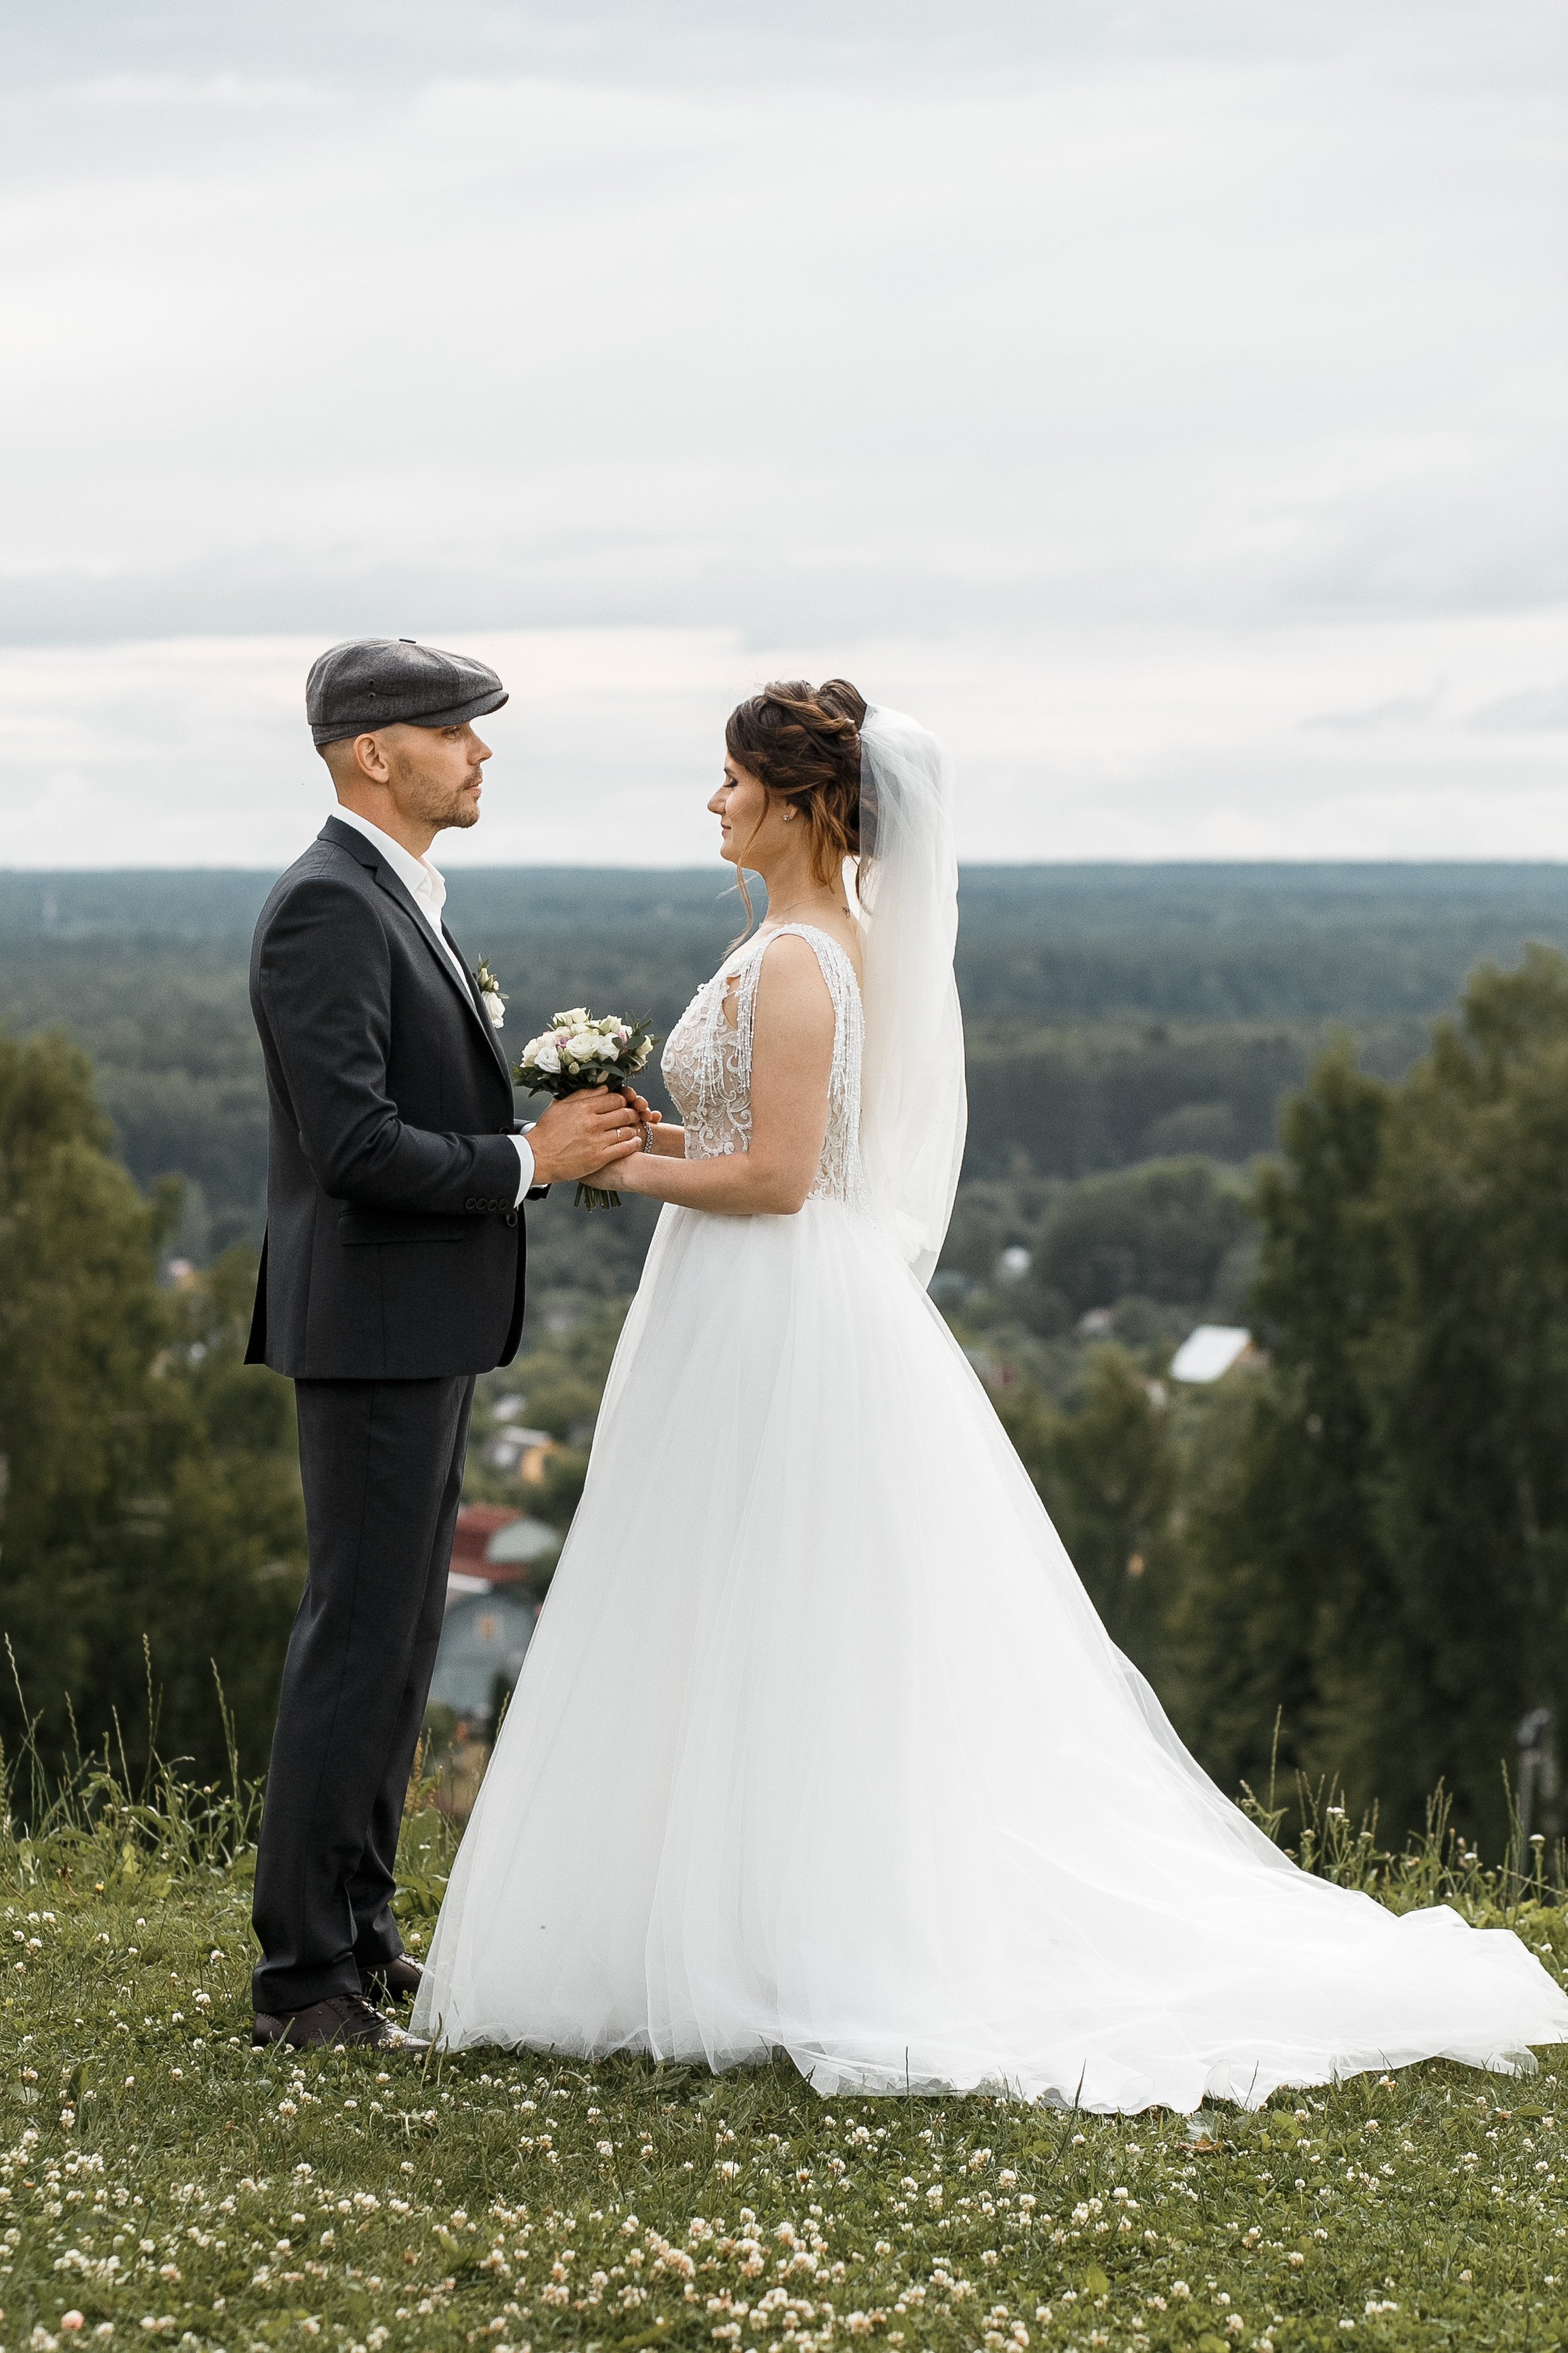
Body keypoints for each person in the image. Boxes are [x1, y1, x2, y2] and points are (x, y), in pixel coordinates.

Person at [414, 678, 1568, 2109]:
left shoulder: (794, 956)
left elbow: (778, 1181)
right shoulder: (807, 943)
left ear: (797, 799)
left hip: (772, 1299)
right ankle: (741, 1912)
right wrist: (657, 1129)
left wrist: (609, 1165)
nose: (711, 801)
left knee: (778, 1599)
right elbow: (779, 1141)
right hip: (754, 1297)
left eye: (728, 779)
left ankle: (775, 1930)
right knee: (752, 1597)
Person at [245, 637, 648, 2053]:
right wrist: (526, 1159)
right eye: (455, 731)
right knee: (356, 1633)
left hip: (416, 1322)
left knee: (403, 1633)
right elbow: (351, 1145)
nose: (481, 753)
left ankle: (356, 1928)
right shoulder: (327, 908)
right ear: (372, 753)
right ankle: (301, 1978)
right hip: (363, 1321)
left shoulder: (393, 896)